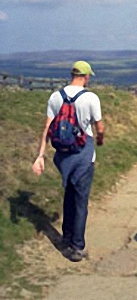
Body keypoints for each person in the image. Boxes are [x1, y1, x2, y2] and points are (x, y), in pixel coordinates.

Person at [32, 61, 105, 262]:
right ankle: (77, 246)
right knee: (81, 201)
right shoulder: (91, 98)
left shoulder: (56, 97)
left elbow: (47, 128)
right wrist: (100, 139)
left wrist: (40, 156)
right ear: (86, 76)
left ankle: (66, 238)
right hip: (84, 156)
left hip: (64, 157)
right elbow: (99, 127)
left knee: (69, 195)